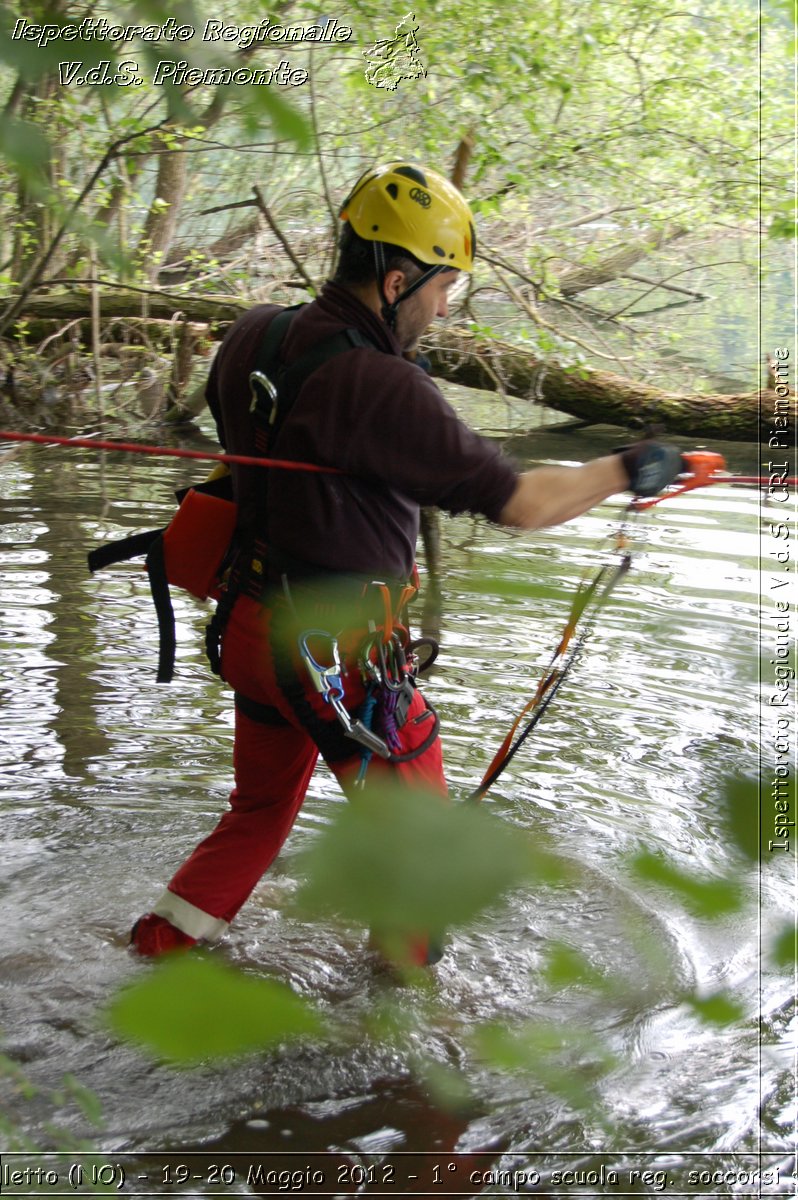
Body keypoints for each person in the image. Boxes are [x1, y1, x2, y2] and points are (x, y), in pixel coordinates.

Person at [130, 161, 684, 965]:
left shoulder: (255, 332)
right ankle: (404, 1053)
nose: (444, 304)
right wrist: (629, 468)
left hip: (250, 631)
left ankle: (155, 950)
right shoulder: (383, 386)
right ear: (395, 282)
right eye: (441, 286)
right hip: (334, 655)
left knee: (258, 812)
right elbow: (526, 505)